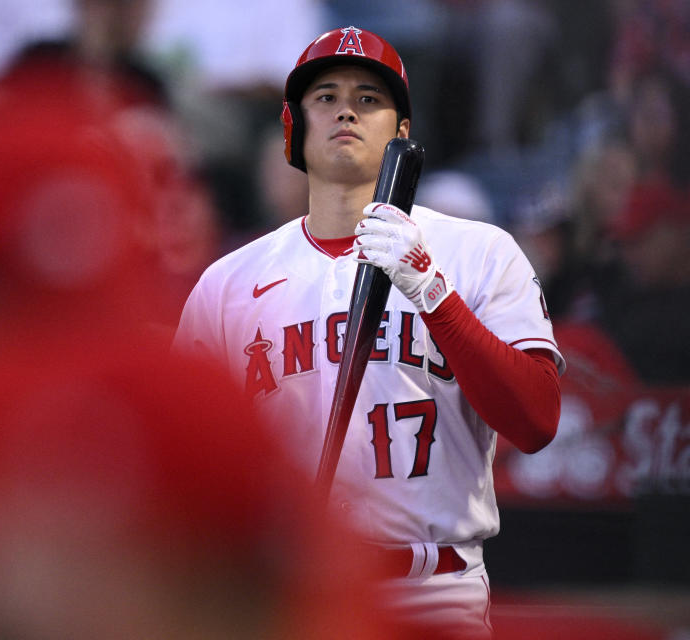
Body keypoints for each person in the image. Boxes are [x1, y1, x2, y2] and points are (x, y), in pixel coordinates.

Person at [173, 26, 566, 638]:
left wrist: (432, 291)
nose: (346, 110)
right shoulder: (226, 284)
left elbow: (536, 419)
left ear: (402, 131)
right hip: (287, 597)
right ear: (293, 130)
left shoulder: (478, 252)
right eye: (325, 97)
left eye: (369, 97)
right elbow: (185, 469)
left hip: (432, 591)